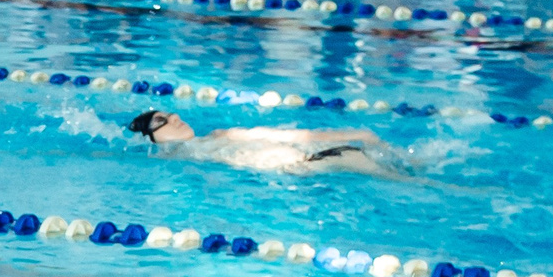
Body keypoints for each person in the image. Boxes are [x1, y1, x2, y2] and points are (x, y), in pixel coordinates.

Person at [125, 110, 394, 174]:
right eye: (162, 122)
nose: (175, 119)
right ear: (150, 139)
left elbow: (300, 137)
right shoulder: (168, 159)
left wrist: (356, 134)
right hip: (308, 166)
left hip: (316, 160)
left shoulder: (223, 135)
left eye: (173, 115)